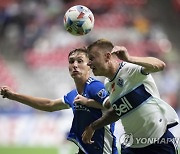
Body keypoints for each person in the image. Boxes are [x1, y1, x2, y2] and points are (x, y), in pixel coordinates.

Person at [0, 48, 118, 154]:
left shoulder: (95, 87)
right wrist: (14, 96)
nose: (75, 65)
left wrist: (88, 104)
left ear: (89, 65)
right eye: (71, 61)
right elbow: (49, 105)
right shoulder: (73, 94)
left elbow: (115, 107)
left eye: (80, 61)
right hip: (85, 150)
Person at [81, 39, 179, 154]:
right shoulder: (108, 83)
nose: (88, 63)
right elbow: (117, 111)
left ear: (107, 57)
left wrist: (129, 58)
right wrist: (93, 126)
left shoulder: (130, 69)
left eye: (92, 58)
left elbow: (160, 65)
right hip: (132, 146)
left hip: (159, 142)